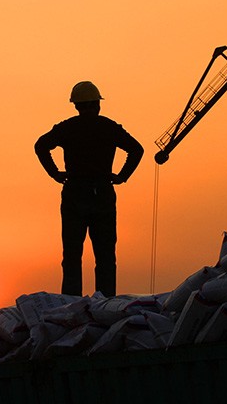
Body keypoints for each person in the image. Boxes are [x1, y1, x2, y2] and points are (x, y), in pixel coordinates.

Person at [34, 81, 144, 297]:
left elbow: (41, 145)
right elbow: (136, 150)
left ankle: (71, 304)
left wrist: (55, 173)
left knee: (72, 256)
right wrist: (122, 176)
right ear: (97, 104)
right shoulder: (108, 127)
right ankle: (105, 305)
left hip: (74, 191)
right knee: (105, 256)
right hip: (102, 192)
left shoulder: (68, 128)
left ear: (76, 105)